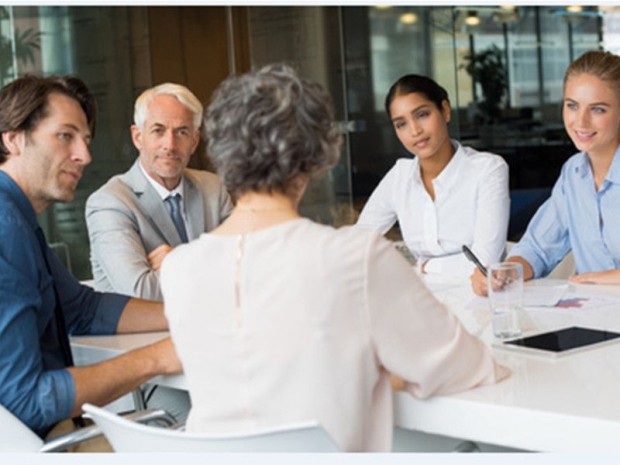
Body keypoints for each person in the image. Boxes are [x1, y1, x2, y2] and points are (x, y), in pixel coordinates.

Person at [159, 64, 508, 452]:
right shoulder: (355, 258)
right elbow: (472, 366)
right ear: (317, 156)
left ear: (218, 150)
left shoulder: (178, 268)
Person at [0, 75, 181, 439]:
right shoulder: (6, 227)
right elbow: (26, 399)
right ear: (13, 138)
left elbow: (82, 309)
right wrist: (159, 357)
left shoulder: (16, 218)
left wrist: (188, 315)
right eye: (65, 136)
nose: (85, 155)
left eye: (85, 140)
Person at [472, 50, 620, 295]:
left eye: (598, 109)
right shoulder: (573, 174)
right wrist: (507, 272)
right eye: (572, 106)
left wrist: (603, 279)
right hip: (595, 320)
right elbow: (538, 248)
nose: (581, 122)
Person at [85, 82, 233, 301]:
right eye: (158, 130)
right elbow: (141, 292)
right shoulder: (110, 202)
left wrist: (181, 261)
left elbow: (249, 268)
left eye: (182, 132)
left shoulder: (213, 189)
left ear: (194, 141)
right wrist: (214, 267)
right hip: (144, 335)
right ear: (138, 137)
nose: (170, 145)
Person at [356, 74, 509, 278]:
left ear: (445, 111)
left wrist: (423, 266)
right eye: (401, 124)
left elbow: (484, 262)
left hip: (477, 298)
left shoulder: (487, 170)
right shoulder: (399, 176)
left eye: (422, 115)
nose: (415, 131)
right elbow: (358, 242)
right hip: (419, 298)